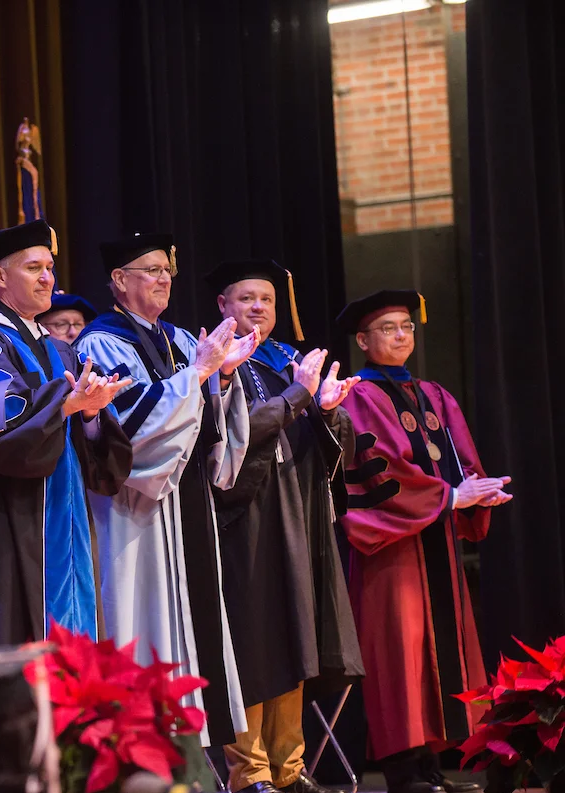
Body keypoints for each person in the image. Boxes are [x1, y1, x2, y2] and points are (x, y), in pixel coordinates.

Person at [73, 232, 257, 748]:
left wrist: (221, 377)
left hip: (187, 499)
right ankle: (149, 751)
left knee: (196, 623)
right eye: (150, 269)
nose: (163, 278)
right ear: (119, 280)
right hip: (137, 508)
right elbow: (124, 428)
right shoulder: (100, 342)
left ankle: (203, 753)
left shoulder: (178, 338)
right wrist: (198, 373)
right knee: (143, 621)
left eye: (167, 271)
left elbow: (206, 412)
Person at [335, 290, 509, 793]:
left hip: (435, 546)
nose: (401, 335)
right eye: (388, 328)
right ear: (363, 340)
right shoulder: (358, 397)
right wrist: (452, 497)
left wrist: (478, 493)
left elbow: (460, 459)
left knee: (440, 657)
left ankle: (432, 769)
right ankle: (402, 774)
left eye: (407, 326)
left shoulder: (434, 395)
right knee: (400, 657)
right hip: (389, 550)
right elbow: (380, 470)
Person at [203, 260, 364, 793]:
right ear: (223, 305)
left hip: (294, 510)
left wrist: (327, 407)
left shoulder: (282, 360)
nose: (258, 308)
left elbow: (322, 435)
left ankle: (289, 769)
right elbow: (236, 432)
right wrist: (298, 396)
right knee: (252, 638)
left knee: (294, 632)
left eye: (267, 299)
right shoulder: (214, 362)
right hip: (242, 514)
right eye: (246, 298)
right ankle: (249, 773)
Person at [0, 219, 132, 644]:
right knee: (19, 630)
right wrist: (66, 405)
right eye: (34, 268)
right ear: (0, 276)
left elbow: (89, 443)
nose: (47, 278)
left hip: (65, 510)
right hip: (11, 514)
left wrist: (90, 415)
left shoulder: (58, 347)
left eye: (50, 268)